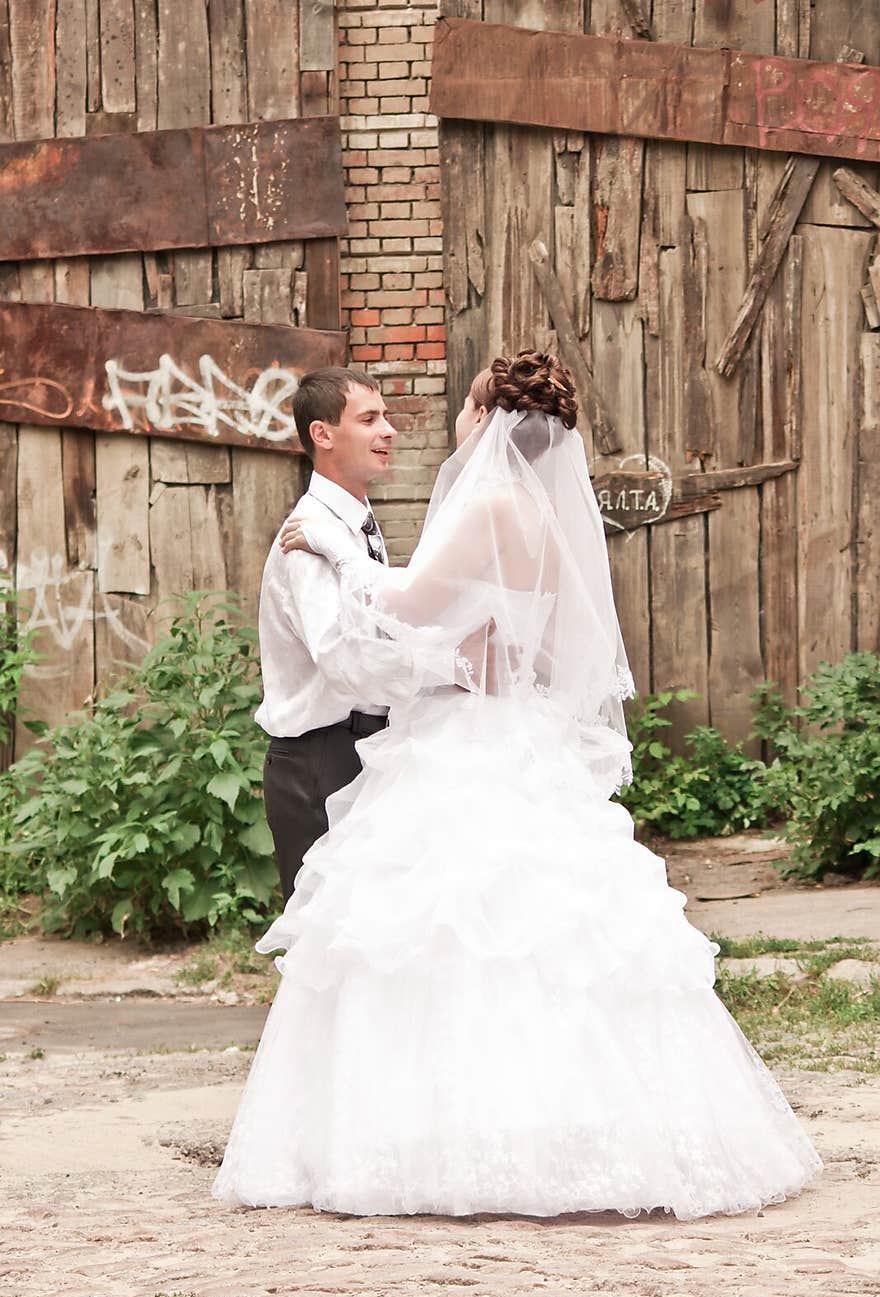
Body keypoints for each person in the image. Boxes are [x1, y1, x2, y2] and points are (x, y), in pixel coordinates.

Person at [214, 352, 821, 1220]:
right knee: (539, 938)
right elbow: (512, 646)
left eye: (463, 408)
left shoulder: (487, 505)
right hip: (519, 738)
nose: (435, 425)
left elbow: (409, 602)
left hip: (468, 744)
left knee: (446, 932)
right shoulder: (542, 520)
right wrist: (458, 658)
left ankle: (440, 1133)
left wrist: (343, 561)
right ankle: (571, 1124)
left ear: (488, 422)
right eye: (375, 416)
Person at [255, 366, 461, 904]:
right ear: (322, 435)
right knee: (326, 951)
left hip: (363, 747)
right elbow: (344, 660)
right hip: (321, 763)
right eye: (369, 419)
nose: (388, 430)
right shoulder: (306, 537)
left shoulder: (353, 523)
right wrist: (450, 671)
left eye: (386, 416)